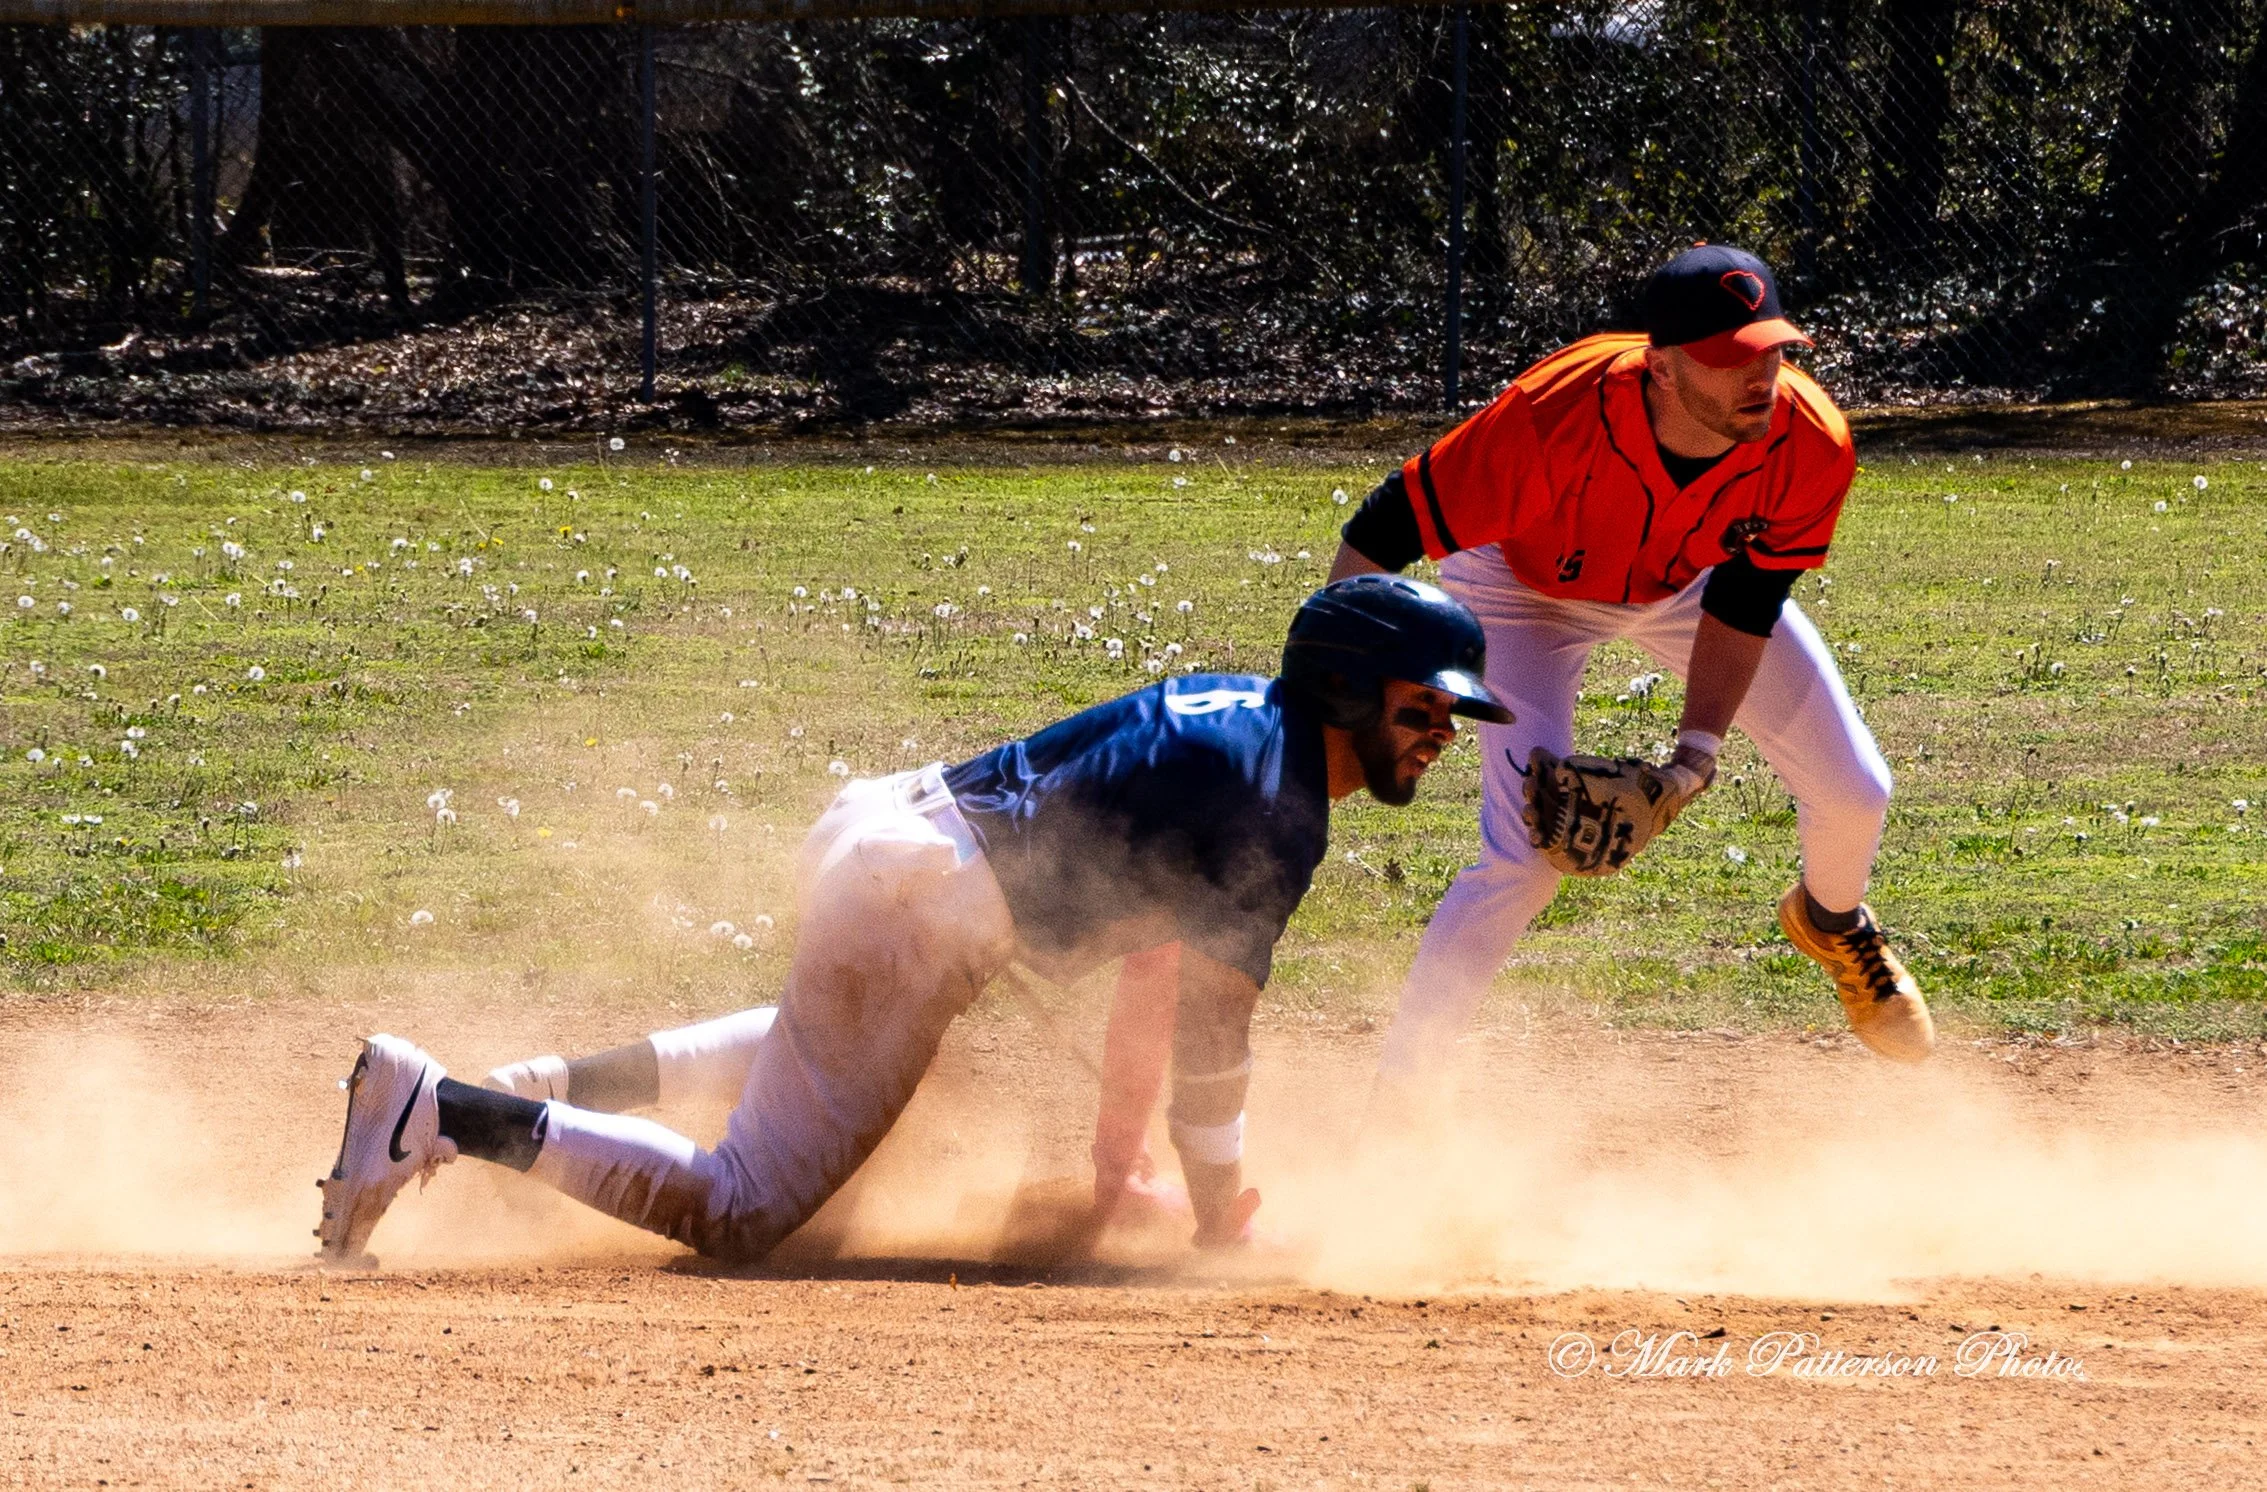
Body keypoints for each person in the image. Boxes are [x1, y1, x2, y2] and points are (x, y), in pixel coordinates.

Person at [315, 575, 1513, 1267]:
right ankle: (446, 1111)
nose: (1440, 735)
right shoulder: (1277, 798)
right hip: (924, 900)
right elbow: (1212, 1032)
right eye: (1424, 707)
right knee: (739, 1211)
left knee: (815, 1043)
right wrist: (1218, 1220)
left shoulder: (1249, 718)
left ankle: (512, 1086)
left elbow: (1164, 968)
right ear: (1348, 688)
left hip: (896, 834)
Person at [1328, 243, 1933, 1103]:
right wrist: (1338, 688)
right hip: (1519, 591)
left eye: (1769, 349)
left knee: (1856, 790)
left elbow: (1745, 604)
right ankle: (1397, 1102)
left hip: (1687, 587)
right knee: (1524, 863)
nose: (1758, 376)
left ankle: (1832, 923)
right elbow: (1382, 531)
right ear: (1658, 365)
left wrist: (1692, 758)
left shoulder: (1808, 441)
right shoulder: (1549, 418)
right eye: (1727, 359)